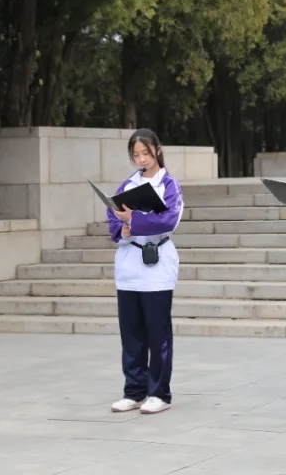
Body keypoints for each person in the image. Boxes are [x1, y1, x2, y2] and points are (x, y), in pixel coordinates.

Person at [106, 129, 184, 415]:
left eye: (145, 153)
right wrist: (124, 226)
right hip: (129, 266)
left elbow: (169, 219)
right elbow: (112, 220)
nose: (141, 159)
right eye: (135, 155)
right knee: (132, 332)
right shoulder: (128, 184)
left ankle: (159, 392)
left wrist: (134, 219)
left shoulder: (169, 185)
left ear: (157, 151)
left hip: (157, 265)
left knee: (157, 331)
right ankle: (134, 390)